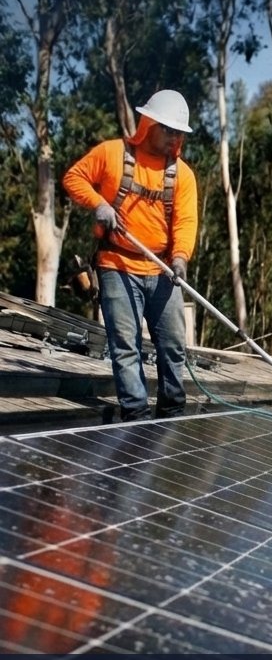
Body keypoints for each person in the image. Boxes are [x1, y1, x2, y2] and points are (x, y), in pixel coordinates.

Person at [63, 90, 198, 421]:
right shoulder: (111, 154)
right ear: (148, 124)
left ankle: (171, 414)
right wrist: (99, 204)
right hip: (117, 265)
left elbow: (185, 221)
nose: (174, 137)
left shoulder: (182, 175)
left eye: (179, 132)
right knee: (126, 345)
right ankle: (137, 418)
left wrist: (180, 258)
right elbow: (73, 178)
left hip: (163, 270)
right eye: (168, 129)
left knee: (172, 347)